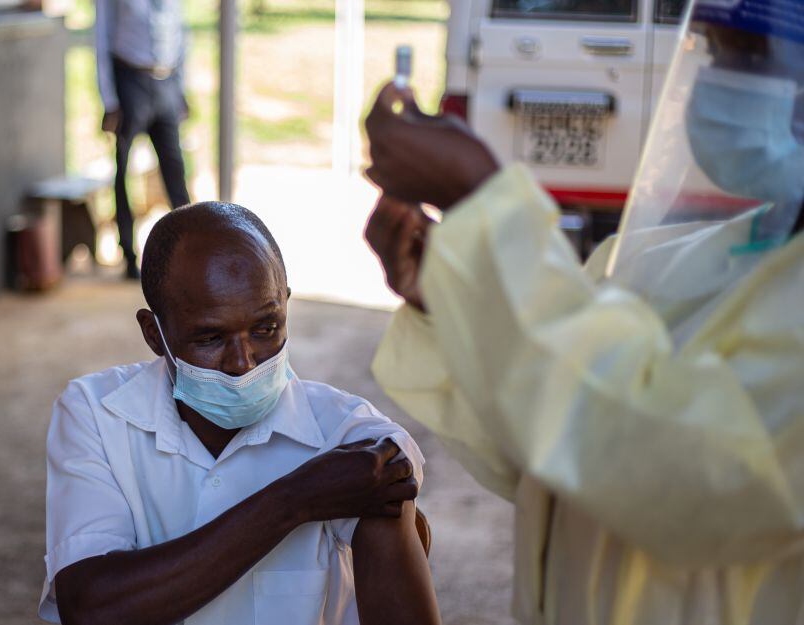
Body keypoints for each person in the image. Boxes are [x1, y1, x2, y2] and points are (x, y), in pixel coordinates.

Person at [361, 0, 804, 623]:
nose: (718, 79)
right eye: (712, 49)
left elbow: (681, 477)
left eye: (753, 55)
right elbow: (552, 449)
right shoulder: (670, 262)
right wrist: (451, 301)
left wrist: (486, 204)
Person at [40, 202, 442, 625]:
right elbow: (91, 608)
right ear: (154, 334)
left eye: (265, 329)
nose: (242, 362)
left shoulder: (352, 439)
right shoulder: (97, 413)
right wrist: (296, 499)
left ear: (285, 305)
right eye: (210, 337)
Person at [95, 0, 192, 279]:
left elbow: (181, 31)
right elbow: (102, 38)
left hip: (166, 82)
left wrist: (181, 88)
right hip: (130, 81)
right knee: (123, 170)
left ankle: (190, 251)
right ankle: (128, 253)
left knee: (175, 170)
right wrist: (109, 100)